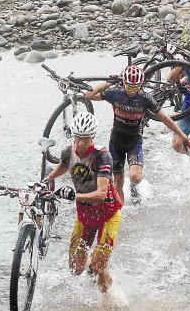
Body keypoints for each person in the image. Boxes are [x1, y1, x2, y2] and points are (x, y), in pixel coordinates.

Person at [84, 65, 190, 205]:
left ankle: (134, 187)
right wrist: (108, 83)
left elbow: (165, 119)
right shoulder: (116, 93)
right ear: (124, 83)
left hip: (134, 142)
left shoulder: (145, 98)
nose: (131, 90)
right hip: (116, 141)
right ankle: (119, 216)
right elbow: (88, 95)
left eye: (135, 87)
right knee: (118, 181)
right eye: (129, 86)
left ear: (141, 85)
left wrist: (184, 137)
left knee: (135, 177)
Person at [44, 112, 122, 295]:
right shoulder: (68, 152)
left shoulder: (102, 157)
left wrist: (74, 196)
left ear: (92, 136)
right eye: (76, 138)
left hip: (108, 214)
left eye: (84, 139)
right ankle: (93, 263)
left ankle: (110, 300)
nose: (79, 143)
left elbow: (102, 193)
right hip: (85, 215)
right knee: (75, 269)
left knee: (99, 266)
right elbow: (64, 165)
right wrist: (47, 179)